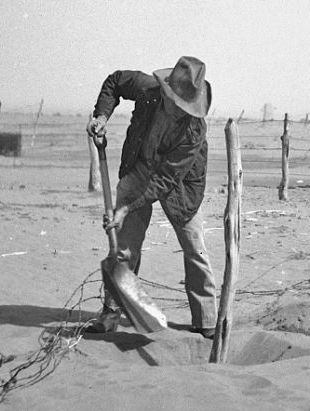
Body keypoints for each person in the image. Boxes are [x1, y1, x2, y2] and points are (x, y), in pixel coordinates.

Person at [85, 56, 216, 338]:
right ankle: (111, 312)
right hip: (139, 167)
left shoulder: (194, 129)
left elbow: (167, 177)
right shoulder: (146, 89)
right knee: (124, 246)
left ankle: (206, 320)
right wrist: (101, 117)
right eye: (174, 101)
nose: (178, 110)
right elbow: (115, 81)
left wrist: (126, 207)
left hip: (180, 183)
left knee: (195, 248)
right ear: (165, 90)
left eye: (184, 106)